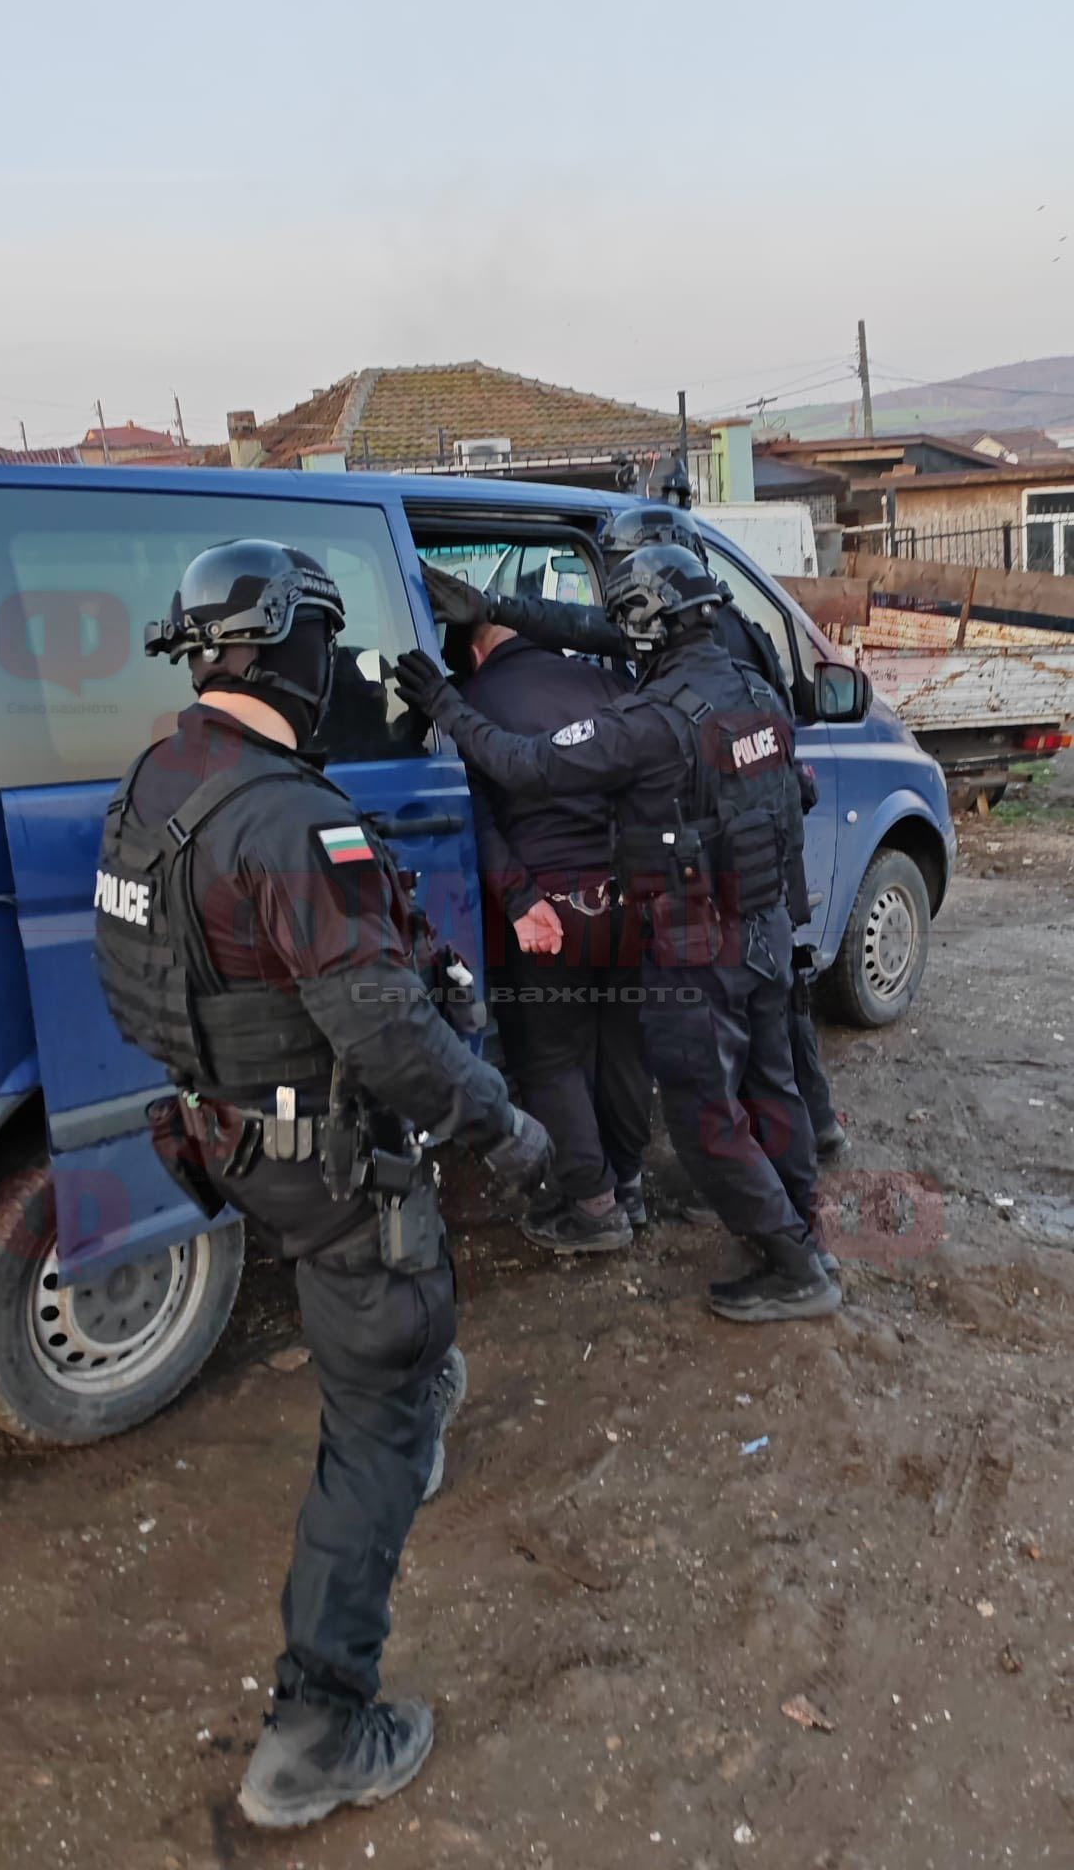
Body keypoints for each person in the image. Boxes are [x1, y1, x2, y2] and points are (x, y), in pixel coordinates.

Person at [92, 540, 550, 1831]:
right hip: (331, 1165)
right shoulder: (291, 819)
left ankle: (417, 1402)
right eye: (327, 645)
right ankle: (318, 1733)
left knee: (390, 1355)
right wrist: (503, 1126)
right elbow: (387, 1038)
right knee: (376, 1413)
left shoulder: (161, 779)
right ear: (290, 647)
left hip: (234, 1140)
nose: (338, 669)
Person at [398, 544, 841, 1323]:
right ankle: (807, 1234)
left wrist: (446, 703)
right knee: (773, 1089)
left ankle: (795, 1265)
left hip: (698, 945)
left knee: (704, 1116)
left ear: (644, 628)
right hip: (766, 929)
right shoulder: (757, 691)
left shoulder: (650, 721)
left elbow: (527, 765)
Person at [459, 616, 652, 1253]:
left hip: (552, 909)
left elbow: (479, 819)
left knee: (550, 1054)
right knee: (622, 1044)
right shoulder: (604, 682)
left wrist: (518, 898)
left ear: (475, 651)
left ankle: (593, 1208)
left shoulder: (474, 702)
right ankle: (628, 1184)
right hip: (627, 897)